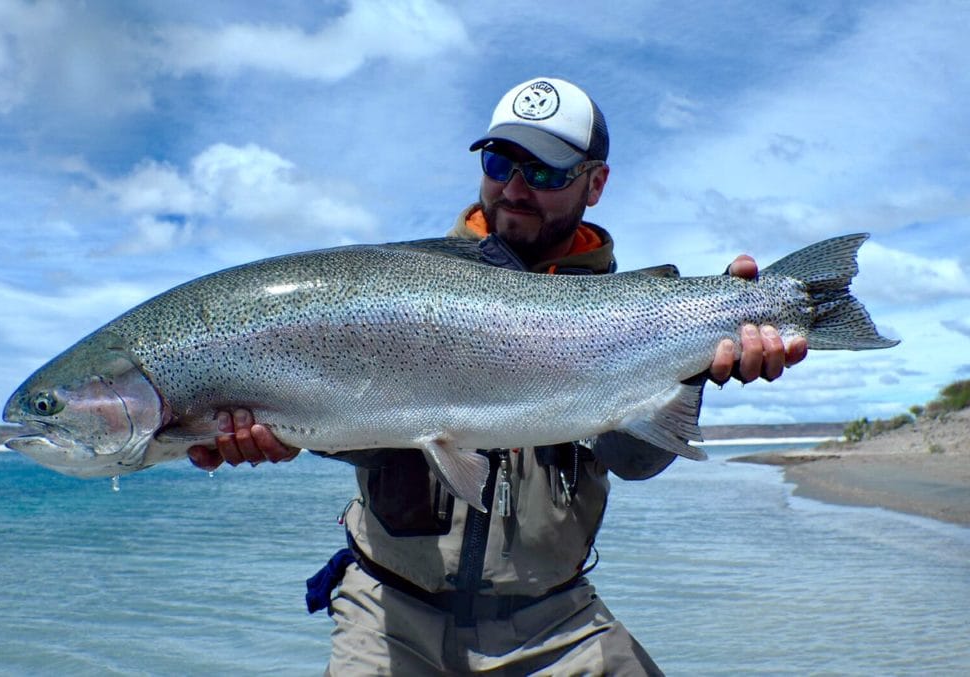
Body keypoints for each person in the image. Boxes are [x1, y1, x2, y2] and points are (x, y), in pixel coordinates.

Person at [188, 77, 807, 675]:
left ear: (595, 184)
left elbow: (633, 460)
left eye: (543, 172)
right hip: (389, 611)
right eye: (499, 164)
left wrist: (693, 366)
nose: (514, 188)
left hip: (556, 623)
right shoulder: (403, 285)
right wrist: (286, 429)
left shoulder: (636, 311)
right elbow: (370, 434)